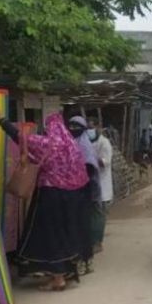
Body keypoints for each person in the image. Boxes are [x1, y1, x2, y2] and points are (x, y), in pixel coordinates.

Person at [0, 113, 89, 291]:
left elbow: (22, 139)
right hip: (72, 197)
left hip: (50, 195)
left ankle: (57, 278)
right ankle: (64, 272)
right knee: (65, 233)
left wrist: (4, 123)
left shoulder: (49, 144)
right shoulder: (72, 145)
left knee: (50, 235)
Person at [67, 116, 99, 275]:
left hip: (84, 191)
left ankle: (86, 259)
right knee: (75, 226)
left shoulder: (85, 146)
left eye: (76, 125)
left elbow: (90, 169)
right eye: (70, 125)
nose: (72, 128)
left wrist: (78, 178)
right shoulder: (70, 145)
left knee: (83, 226)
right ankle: (80, 259)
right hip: (72, 191)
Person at [88, 119, 113, 254]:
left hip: (101, 185)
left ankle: (97, 242)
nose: (89, 131)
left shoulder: (104, 143)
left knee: (98, 214)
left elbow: (106, 162)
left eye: (91, 127)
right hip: (89, 184)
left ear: (98, 127)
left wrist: (90, 158)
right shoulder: (85, 141)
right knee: (91, 214)